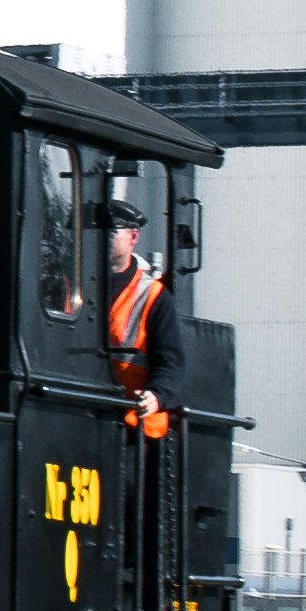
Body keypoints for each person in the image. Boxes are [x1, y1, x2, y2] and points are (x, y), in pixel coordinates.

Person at [100, 189, 184, 443]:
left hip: (132, 429)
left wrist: (156, 395)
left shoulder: (153, 295)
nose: (103, 237)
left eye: (112, 231)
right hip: (86, 415)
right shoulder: (69, 286)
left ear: (133, 237)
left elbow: (171, 362)